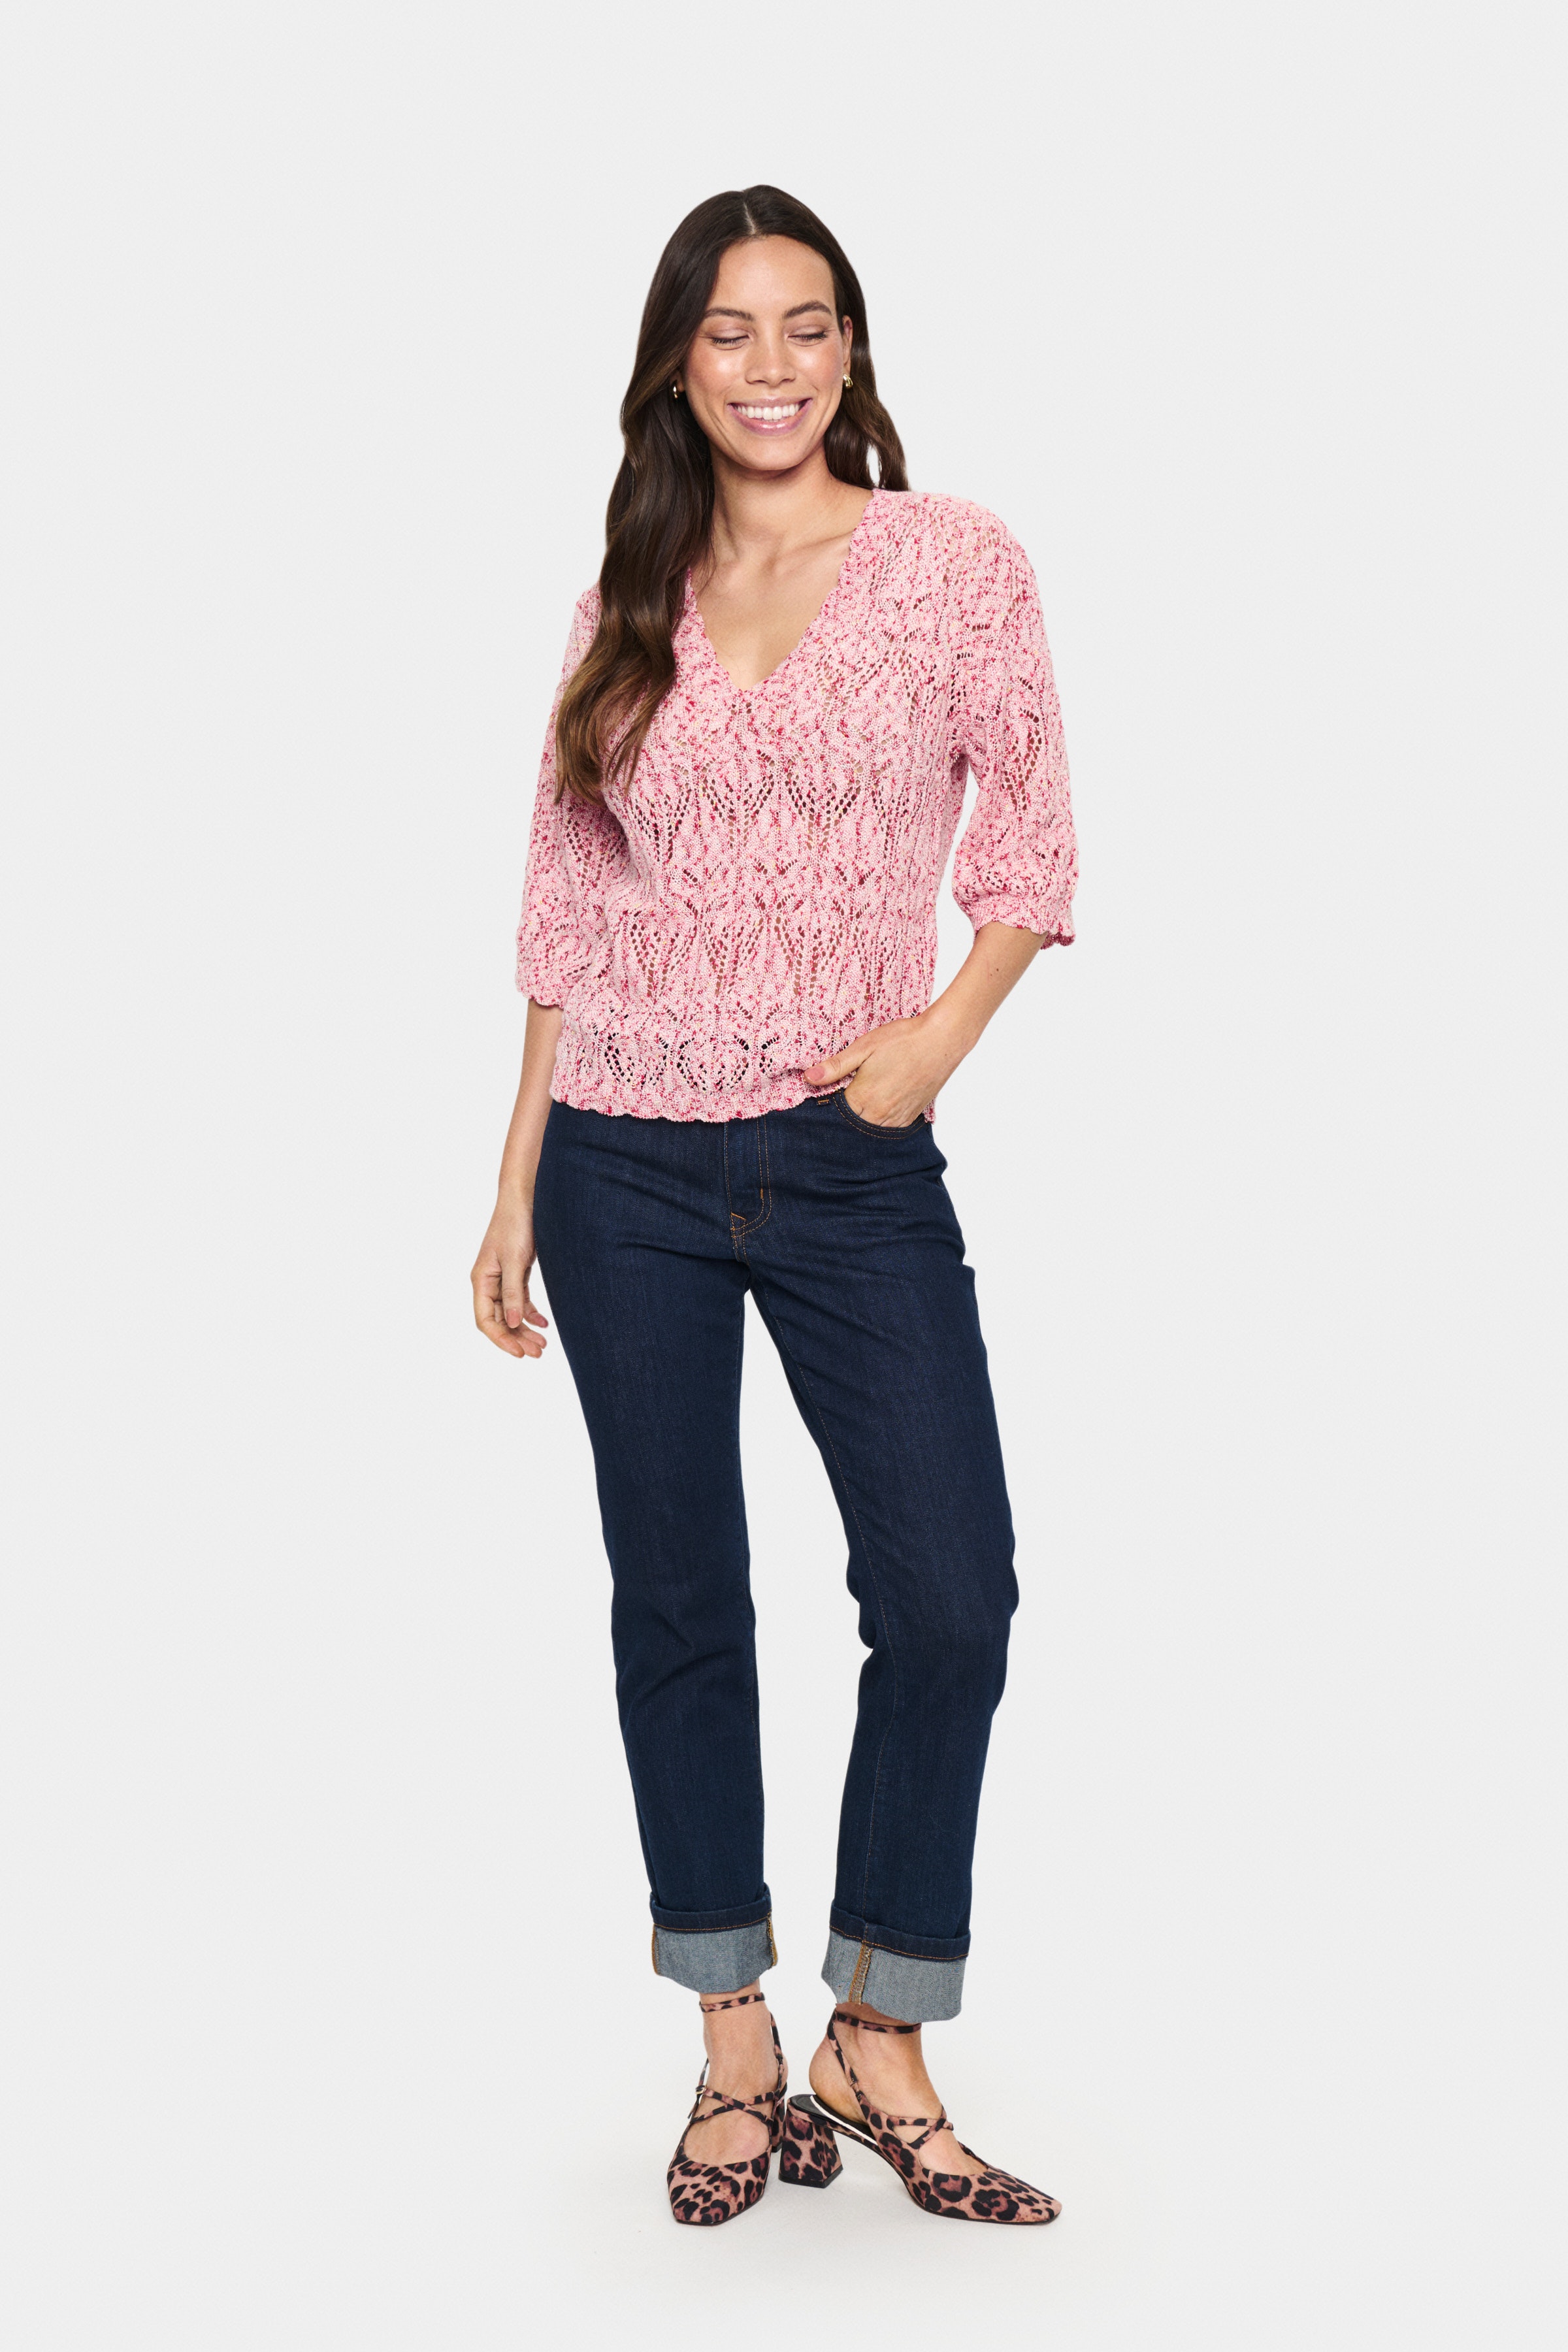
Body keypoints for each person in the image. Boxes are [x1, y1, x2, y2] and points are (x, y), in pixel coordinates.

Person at [471, 185, 1077, 2228]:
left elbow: (1035, 842)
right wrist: (515, 1174)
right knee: (681, 1600)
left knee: (952, 1594)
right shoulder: (625, 598)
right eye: (730, 331)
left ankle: (874, 2031)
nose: (772, 366)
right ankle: (733, 2039)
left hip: (847, 1154)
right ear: (676, 362)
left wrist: (937, 1041)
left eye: (806, 325)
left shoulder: (950, 562)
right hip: (620, 1162)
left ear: (851, 346)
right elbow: (566, 902)